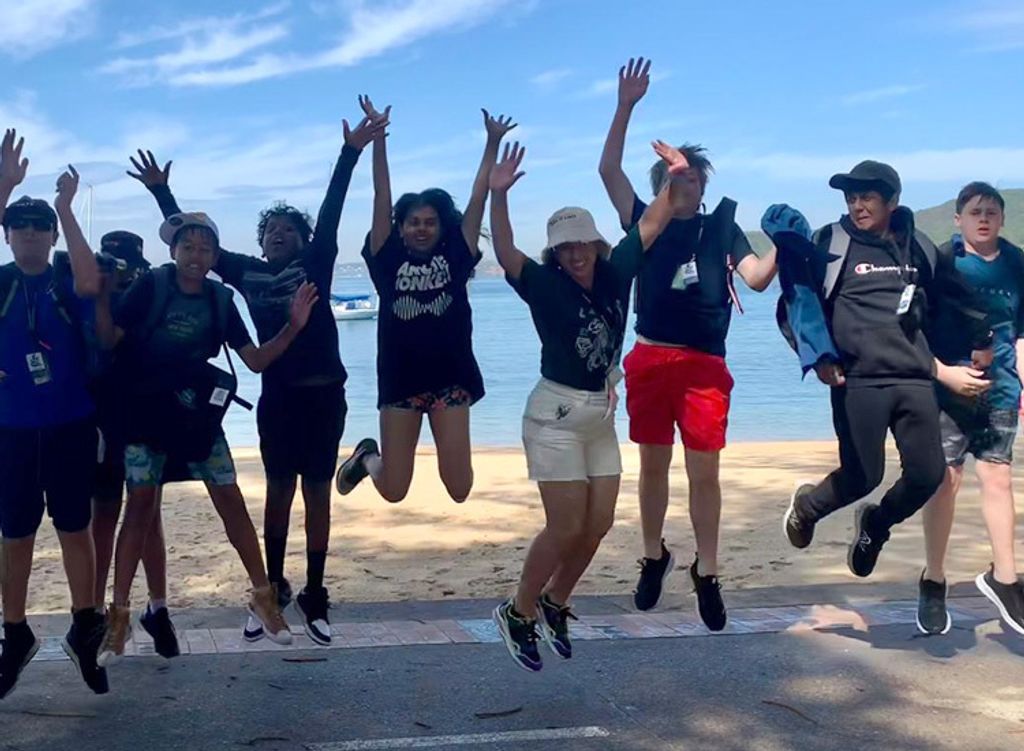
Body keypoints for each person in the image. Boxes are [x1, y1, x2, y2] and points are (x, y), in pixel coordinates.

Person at [128, 111, 386, 646]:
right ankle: (273, 589)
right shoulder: (244, 271)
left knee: (318, 494)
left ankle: (315, 591)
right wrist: (161, 192)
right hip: (278, 397)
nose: (279, 235)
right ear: (261, 241)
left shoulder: (316, 261)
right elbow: (194, 247)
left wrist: (350, 152)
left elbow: (333, 209)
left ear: (304, 240)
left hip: (325, 393)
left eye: (289, 229)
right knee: (277, 493)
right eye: (271, 230)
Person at [489, 140, 685, 671]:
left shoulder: (617, 270)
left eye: (582, 245)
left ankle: (555, 601)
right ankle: (518, 611)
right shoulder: (544, 285)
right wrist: (498, 195)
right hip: (553, 416)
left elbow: (655, 220)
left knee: (598, 523)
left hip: (599, 414)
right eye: (565, 249)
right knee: (565, 526)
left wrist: (676, 175)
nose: (575, 255)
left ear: (596, 244)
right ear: (555, 254)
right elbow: (505, 251)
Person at [598, 58, 778, 629]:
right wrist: (625, 106)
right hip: (651, 356)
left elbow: (756, 278)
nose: (686, 186)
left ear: (703, 189)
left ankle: (709, 569)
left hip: (704, 365)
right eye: (676, 179)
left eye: (694, 180)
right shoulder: (643, 221)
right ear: (662, 187)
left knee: (705, 473)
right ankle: (653, 556)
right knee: (652, 466)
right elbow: (608, 169)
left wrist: (785, 245)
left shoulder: (720, 227)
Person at [95, 212, 317, 665]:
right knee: (139, 507)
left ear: (215, 256)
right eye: (188, 247)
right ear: (173, 251)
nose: (196, 256)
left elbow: (255, 361)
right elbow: (109, 338)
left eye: (205, 249)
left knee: (230, 500)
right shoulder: (152, 286)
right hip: (144, 413)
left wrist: (294, 325)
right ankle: (118, 617)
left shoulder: (220, 298)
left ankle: (264, 598)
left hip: (194, 415)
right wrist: (99, 294)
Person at [770, 161, 993, 581]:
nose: (857, 206)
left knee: (927, 475)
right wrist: (817, 357)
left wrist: (983, 340)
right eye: (851, 198)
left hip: (913, 378)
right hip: (857, 380)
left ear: (892, 201)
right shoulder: (829, 243)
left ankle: (876, 524)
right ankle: (807, 508)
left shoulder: (918, 247)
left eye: (867, 197)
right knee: (862, 476)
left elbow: (955, 296)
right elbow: (796, 302)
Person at [335, 99, 515, 505]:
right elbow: (381, 194)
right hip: (401, 379)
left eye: (430, 222)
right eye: (413, 222)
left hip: (451, 378)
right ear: (400, 227)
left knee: (460, 488)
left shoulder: (457, 254)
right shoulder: (386, 258)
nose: (421, 228)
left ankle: (376, 457)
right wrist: (379, 140)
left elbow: (478, 197)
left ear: (441, 226)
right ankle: (366, 458)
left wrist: (491, 143)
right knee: (394, 490)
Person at [0, 129, 107, 697]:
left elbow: (92, 282)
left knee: (74, 527)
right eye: (19, 226)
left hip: (70, 424)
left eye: (39, 226)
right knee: (15, 532)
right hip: (12, 429)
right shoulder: (3, 283)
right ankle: (15, 633)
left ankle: (85, 626)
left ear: (50, 235)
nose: (30, 233)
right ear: (7, 235)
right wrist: (4, 187)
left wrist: (65, 207)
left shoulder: (66, 277)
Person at [918, 182, 1024, 636]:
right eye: (975, 212)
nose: (984, 219)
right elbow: (916, 330)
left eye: (992, 212)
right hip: (950, 389)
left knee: (998, 477)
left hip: (1001, 389)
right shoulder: (942, 262)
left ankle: (1006, 579)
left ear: (1002, 219)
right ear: (958, 219)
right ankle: (934, 579)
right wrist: (943, 374)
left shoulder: (1017, 264)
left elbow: (1020, 332)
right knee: (947, 481)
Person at [89, 230, 179, 658]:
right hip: (104, 417)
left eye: (126, 268)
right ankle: (95, 611)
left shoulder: (149, 291)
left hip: (144, 415)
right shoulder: (93, 292)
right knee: (106, 516)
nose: (121, 275)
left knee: (146, 513)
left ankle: (156, 608)